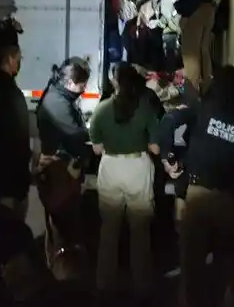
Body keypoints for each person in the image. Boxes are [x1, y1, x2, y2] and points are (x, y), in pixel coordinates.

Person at [157, 65, 234, 307]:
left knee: (191, 267)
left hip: (199, 196)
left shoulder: (203, 107)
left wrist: (168, 157)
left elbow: (169, 121)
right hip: (233, 200)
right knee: (229, 267)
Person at [89, 62, 160, 301]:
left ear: (114, 81)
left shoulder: (101, 110)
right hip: (138, 168)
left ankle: (104, 283)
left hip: (111, 168)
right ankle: (142, 285)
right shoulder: (144, 108)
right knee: (140, 231)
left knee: (109, 229)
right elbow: (155, 147)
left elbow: (97, 149)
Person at [34, 57, 91, 277]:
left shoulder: (59, 96)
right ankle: (64, 276)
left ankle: (63, 272)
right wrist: (89, 135)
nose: (84, 89)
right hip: (58, 172)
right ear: (69, 83)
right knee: (64, 227)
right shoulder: (57, 103)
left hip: (60, 170)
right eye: (81, 84)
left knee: (62, 226)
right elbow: (75, 136)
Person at [0, 41, 31, 221]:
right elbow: (18, 142)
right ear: (9, 60)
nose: (19, 63)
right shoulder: (11, 95)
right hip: (9, 184)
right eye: (18, 59)